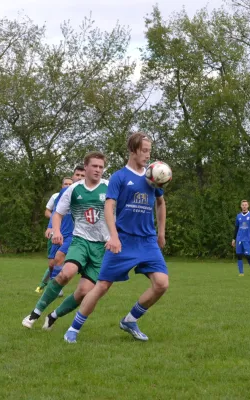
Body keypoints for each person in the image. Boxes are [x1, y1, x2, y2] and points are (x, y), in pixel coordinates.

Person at [63, 132, 168, 343]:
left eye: (150, 151)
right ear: (132, 150)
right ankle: (73, 328)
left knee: (162, 284)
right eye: (144, 151)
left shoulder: (152, 177)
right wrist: (114, 236)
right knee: (101, 286)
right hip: (124, 240)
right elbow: (109, 206)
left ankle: (130, 320)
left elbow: (161, 203)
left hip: (147, 240)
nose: (148, 155)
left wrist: (161, 232)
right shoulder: (120, 177)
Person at [22, 152, 109, 330]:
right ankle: (34, 314)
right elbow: (58, 213)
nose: (98, 170)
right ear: (85, 167)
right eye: (94, 166)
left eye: (101, 167)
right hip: (80, 240)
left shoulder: (109, 187)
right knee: (66, 273)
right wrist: (56, 231)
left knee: (84, 291)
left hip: (101, 246)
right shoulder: (73, 190)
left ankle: (53, 316)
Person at [35, 167, 85, 294]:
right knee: (52, 264)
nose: (79, 177)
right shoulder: (63, 193)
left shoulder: (87, 193)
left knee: (59, 257)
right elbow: (55, 212)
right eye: (77, 174)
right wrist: (51, 227)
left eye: (82, 175)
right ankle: (52, 283)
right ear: (73, 176)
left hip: (74, 234)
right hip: (59, 233)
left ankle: (56, 289)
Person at [232, 200, 250, 277]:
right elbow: (236, 228)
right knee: (239, 255)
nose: (244, 206)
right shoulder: (238, 216)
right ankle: (241, 273)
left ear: (248, 206)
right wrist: (234, 239)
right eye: (243, 205)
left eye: (245, 205)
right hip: (239, 238)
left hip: (247, 239)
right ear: (241, 206)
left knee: (247, 255)